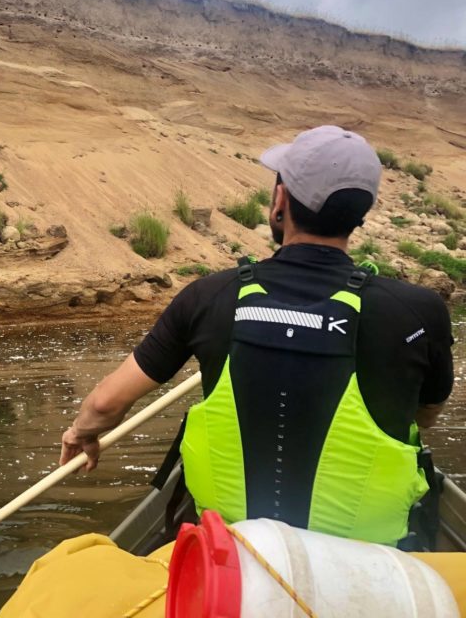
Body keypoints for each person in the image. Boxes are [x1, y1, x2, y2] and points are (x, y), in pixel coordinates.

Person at [60, 125, 455, 545]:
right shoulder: (420, 311)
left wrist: (82, 432)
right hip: (366, 557)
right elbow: (424, 414)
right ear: (361, 213)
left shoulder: (208, 295)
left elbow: (105, 404)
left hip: (232, 552)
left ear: (280, 200)